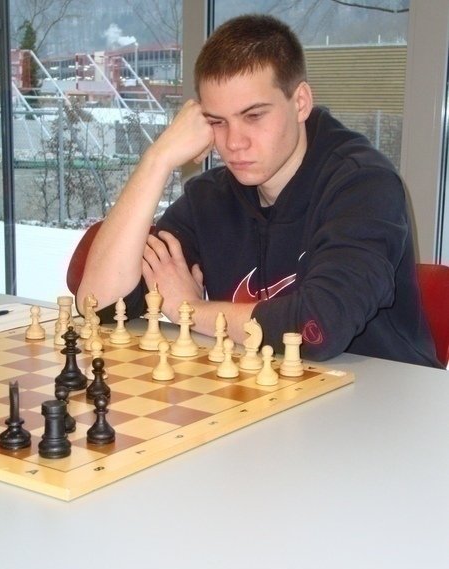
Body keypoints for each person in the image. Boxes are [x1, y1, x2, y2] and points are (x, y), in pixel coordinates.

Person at [76, 13, 441, 368]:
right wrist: (157, 160)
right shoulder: (210, 199)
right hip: (264, 391)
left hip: (382, 398)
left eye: (253, 116)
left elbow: (316, 330)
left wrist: (191, 311)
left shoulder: (364, 185)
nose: (234, 142)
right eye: (218, 122)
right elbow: (99, 305)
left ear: (300, 102)